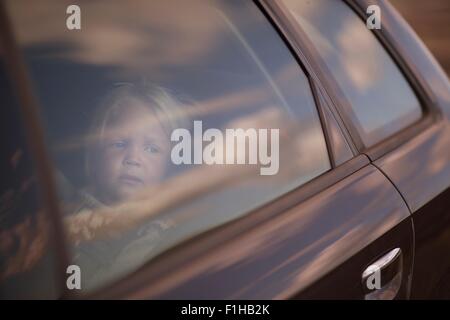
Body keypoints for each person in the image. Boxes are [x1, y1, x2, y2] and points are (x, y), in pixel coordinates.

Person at [63, 83, 189, 290]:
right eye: (119, 144)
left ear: (170, 166)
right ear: (95, 157)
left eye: (151, 148)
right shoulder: (66, 216)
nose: (133, 158)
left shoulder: (168, 232)